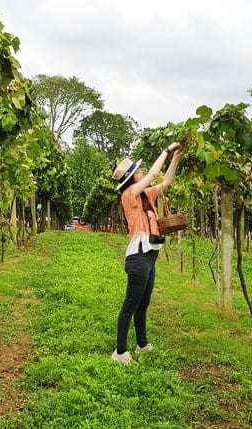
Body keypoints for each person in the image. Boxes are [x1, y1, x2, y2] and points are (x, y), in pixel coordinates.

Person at [110, 142, 185, 364]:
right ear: (132, 178)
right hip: (138, 258)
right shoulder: (129, 195)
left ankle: (142, 344)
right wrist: (167, 150)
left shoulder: (146, 196)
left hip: (150, 256)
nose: (142, 174)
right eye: (138, 172)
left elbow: (166, 182)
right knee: (130, 305)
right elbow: (153, 174)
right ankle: (120, 351)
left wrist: (176, 160)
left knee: (143, 304)